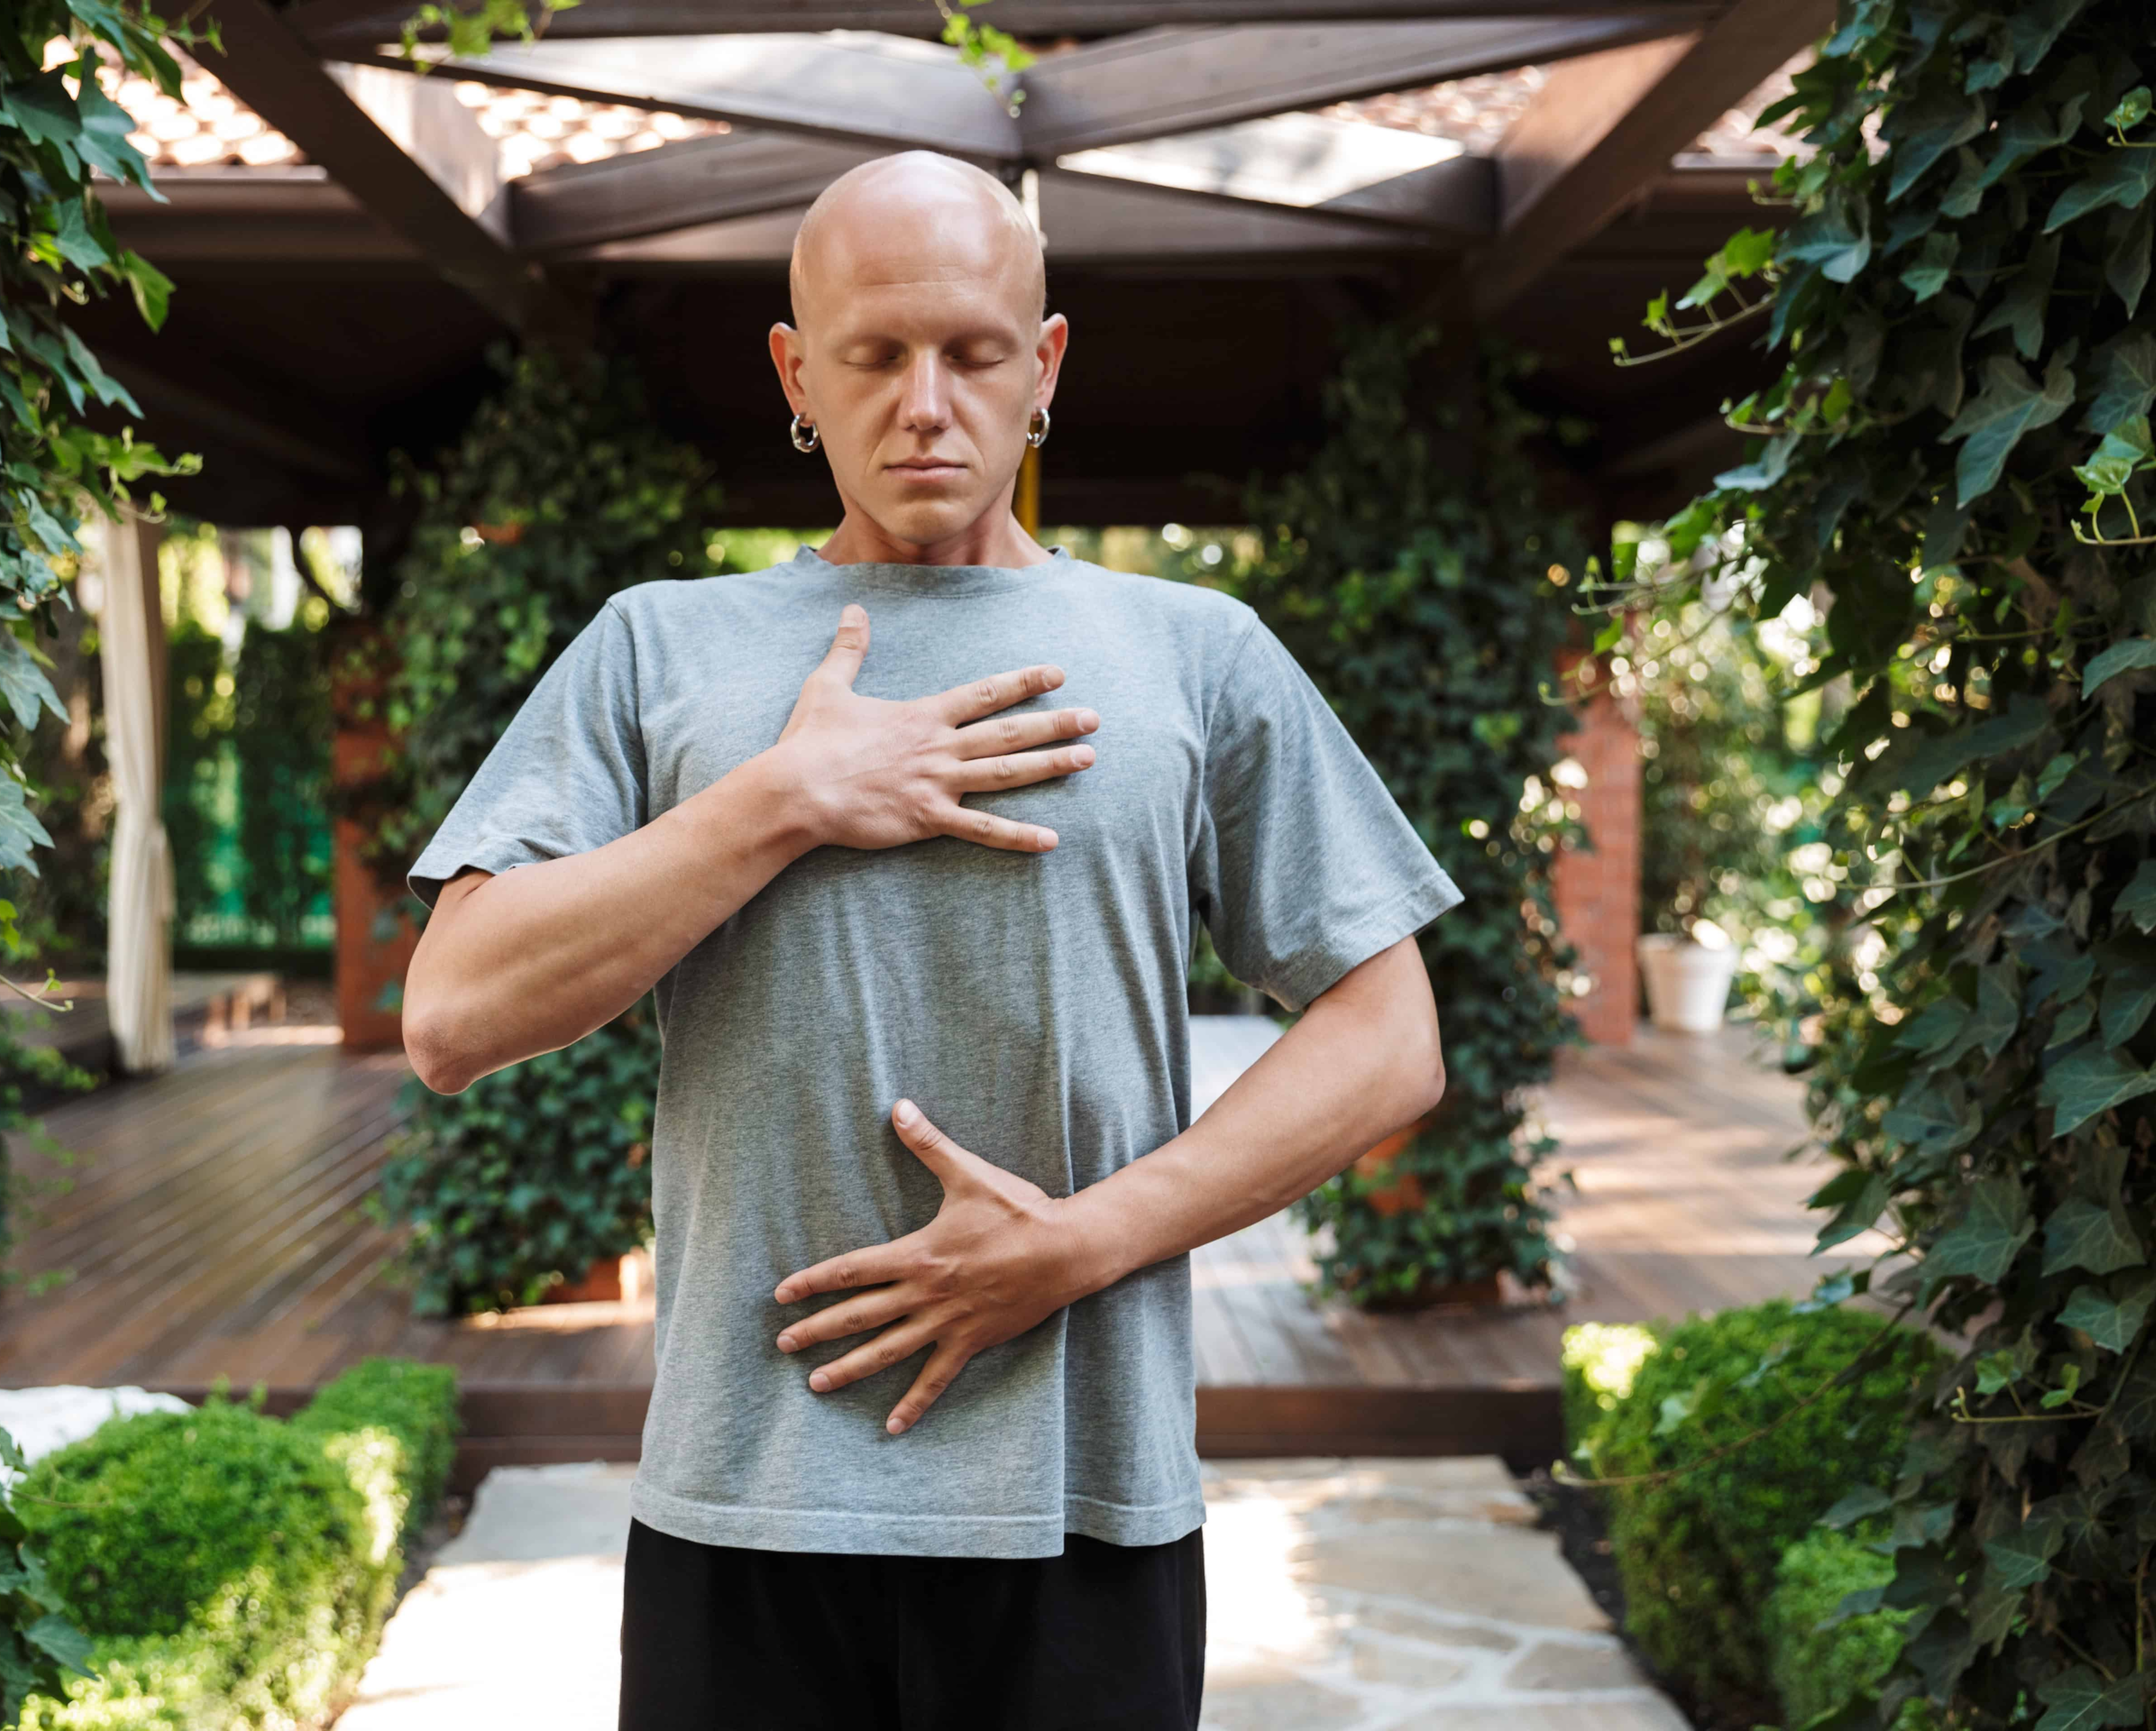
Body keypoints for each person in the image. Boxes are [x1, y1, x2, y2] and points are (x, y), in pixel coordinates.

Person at [399, 149, 1463, 1731]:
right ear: (795, 373)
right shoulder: (657, 646)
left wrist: (1081, 1246)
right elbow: (453, 1015)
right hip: (743, 1508)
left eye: (971, 353)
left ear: (1042, 368)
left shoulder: (1196, 655)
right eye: (874, 355)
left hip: (1082, 1508)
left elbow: (1392, 1040)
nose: (923, 403)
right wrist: (783, 797)